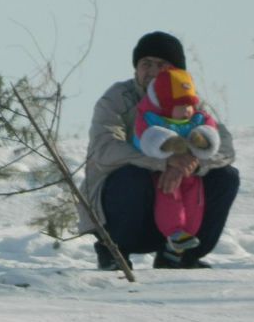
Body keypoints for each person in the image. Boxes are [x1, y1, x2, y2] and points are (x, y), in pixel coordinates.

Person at [80, 31, 239, 269]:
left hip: (179, 204)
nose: (152, 71)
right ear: (136, 69)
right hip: (127, 210)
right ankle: (113, 248)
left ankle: (180, 255)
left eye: (161, 65)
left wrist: (191, 164)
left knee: (225, 176)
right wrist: (164, 162)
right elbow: (105, 149)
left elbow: (223, 146)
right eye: (146, 64)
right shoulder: (117, 98)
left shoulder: (190, 103)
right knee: (132, 176)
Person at [133, 67, 221, 263]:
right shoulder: (153, 118)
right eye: (181, 105)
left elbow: (212, 131)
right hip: (164, 173)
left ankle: (186, 237)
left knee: (194, 201)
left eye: (190, 104)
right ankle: (174, 231)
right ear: (164, 104)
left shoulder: (196, 118)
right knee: (169, 195)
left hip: (190, 174)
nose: (188, 110)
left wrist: (203, 141)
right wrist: (166, 147)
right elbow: (144, 139)